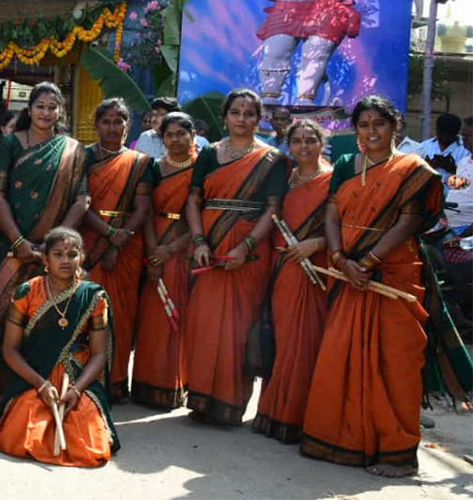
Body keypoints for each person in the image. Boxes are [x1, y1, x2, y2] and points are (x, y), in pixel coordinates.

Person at [300, 96, 443, 477]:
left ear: (395, 126)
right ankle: (343, 441)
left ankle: (397, 452)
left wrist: (367, 261)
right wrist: (338, 258)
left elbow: (409, 221)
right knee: (341, 354)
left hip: (392, 271)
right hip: (348, 272)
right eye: (363, 125)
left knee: (394, 361)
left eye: (379, 123)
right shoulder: (347, 164)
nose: (371, 132)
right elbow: (331, 211)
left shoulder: (413, 169)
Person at [182, 88, 287, 426]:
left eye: (249, 113)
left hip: (249, 254)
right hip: (208, 248)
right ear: (225, 116)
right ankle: (200, 398)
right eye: (236, 112)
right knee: (206, 323)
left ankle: (231, 403)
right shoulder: (210, 154)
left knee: (240, 328)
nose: (242, 119)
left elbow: (272, 211)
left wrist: (246, 248)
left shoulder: (271, 159)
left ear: (259, 119)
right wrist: (199, 241)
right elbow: (194, 200)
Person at [0, 82, 88, 399]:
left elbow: (81, 200)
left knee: (49, 318)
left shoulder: (73, 150)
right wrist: (18, 241)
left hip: (55, 252)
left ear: (60, 111)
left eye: (52, 106)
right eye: (40, 106)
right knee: (8, 313)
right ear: (29, 109)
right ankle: (6, 386)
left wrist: (54, 245)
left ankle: (44, 384)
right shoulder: (10, 144)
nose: (46, 112)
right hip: (13, 247)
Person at [0, 228, 118, 467]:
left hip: (77, 375)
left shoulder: (93, 296)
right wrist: (41, 384)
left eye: (72, 254)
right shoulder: (27, 291)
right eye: (58, 254)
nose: (66, 260)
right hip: (35, 373)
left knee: (89, 442)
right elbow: (10, 350)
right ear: (45, 259)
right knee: (20, 436)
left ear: (81, 258)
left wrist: (77, 390)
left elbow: (100, 353)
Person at [252, 118, 332, 443]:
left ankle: (297, 415)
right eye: (297, 141)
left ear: (321, 143)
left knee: (307, 339)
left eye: (310, 140)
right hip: (282, 265)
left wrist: (317, 243)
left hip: (314, 267)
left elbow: (344, 224)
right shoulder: (286, 178)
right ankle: (273, 411)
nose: (303, 147)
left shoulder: (332, 180)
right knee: (283, 338)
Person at [80, 98, 154, 401]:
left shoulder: (140, 163)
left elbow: (142, 206)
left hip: (127, 243)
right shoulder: (82, 157)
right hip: (89, 239)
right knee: (85, 313)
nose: (113, 127)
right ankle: (81, 379)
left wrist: (120, 238)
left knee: (120, 314)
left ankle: (115, 381)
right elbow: (78, 202)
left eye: (119, 121)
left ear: (128, 125)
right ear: (96, 124)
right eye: (107, 121)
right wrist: (109, 235)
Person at [132, 111, 197, 410]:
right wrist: (153, 249)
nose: (176, 140)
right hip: (154, 241)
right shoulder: (154, 168)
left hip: (181, 247)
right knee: (151, 316)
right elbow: (145, 211)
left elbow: (200, 218)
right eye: (170, 135)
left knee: (175, 317)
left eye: (182, 134)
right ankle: (145, 384)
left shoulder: (201, 169)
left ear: (192, 135)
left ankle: (172, 385)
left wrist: (169, 250)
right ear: (162, 139)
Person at [419, 112, 470, 184]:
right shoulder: (424, 147)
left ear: (456, 132)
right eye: (442, 133)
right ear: (437, 130)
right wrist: (428, 166)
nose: (445, 138)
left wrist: (453, 168)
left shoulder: (467, 149)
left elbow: (469, 179)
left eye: (449, 134)